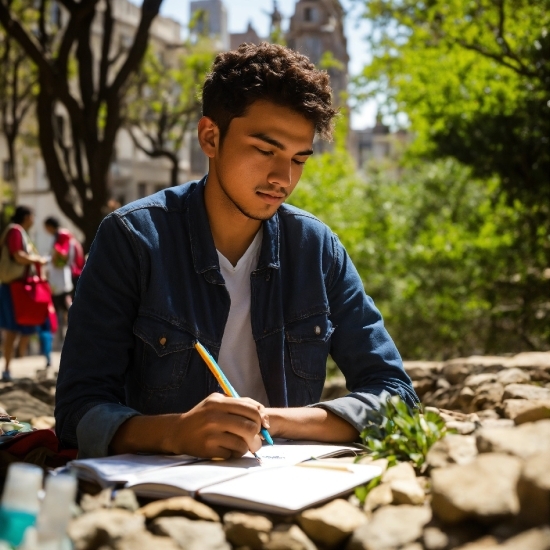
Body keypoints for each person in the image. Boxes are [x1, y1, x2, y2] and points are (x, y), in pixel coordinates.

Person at [55, 43, 418, 459]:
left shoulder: (316, 249)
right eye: (266, 150)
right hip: (161, 492)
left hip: (286, 485)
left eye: (299, 159)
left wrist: (269, 421)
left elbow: (396, 396)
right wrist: (175, 433)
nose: (283, 177)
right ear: (211, 136)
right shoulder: (133, 239)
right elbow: (75, 412)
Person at [0, 206, 48, 381]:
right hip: (14, 287)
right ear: (27, 216)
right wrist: (37, 259)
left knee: (23, 326)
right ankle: (6, 369)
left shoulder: (20, 233)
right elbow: (18, 256)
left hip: (19, 286)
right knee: (11, 329)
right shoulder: (15, 231)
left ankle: (11, 365)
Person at [43, 217, 85, 340]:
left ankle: (71, 332)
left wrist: (50, 260)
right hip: (73, 273)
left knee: (66, 304)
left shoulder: (61, 235)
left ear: (50, 226)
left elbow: (61, 254)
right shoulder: (67, 234)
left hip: (68, 275)